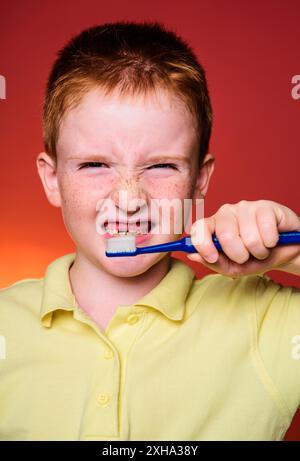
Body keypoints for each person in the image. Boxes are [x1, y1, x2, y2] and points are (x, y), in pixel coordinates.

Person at [0, 20, 299, 441]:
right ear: (52, 180)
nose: (128, 198)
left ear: (200, 180)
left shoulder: (264, 319)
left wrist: (292, 253)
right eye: (95, 164)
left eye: (160, 166)